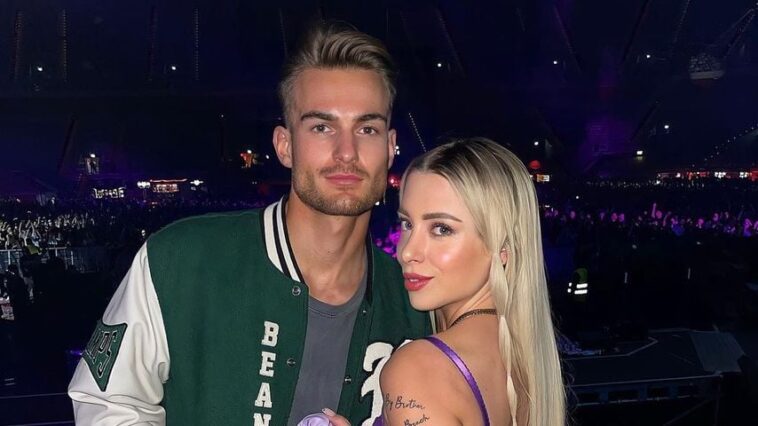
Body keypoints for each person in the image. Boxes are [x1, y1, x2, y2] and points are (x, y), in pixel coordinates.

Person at [68, 22, 431, 426]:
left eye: (367, 128)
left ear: (390, 146)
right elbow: (108, 405)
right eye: (322, 127)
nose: (346, 152)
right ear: (285, 146)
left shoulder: (418, 303)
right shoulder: (182, 260)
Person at [326, 138, 565, 425]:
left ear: (503, 247)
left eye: (441, 229)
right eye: (407, 224)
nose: (407, 252)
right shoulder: (523, 357)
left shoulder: (420, 370)